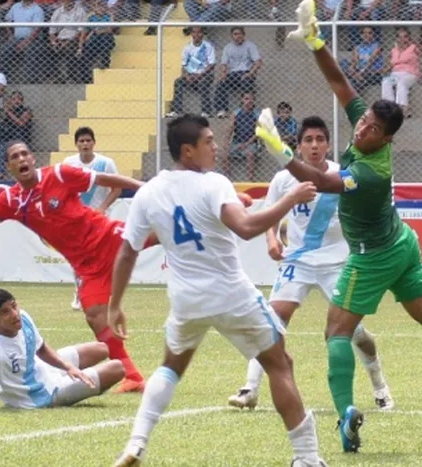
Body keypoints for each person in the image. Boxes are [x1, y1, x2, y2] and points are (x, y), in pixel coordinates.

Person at [259, 0, 422, 453]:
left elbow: (318, 180)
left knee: (336, 331)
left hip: (373, 255)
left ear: (387, 139)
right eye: (365, 123)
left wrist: (280, 151)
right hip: (401, 243)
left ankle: (345, 415)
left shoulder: (371, 173)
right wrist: (316, 41)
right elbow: (339, 83)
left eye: (372, 130)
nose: (362, 130)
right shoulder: (366, 126)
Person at [107, 114, 326, 467]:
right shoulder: (214, 183)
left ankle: (136, 444)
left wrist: (114, 305)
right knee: (279, 363)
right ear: (188, 151)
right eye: (209, 141)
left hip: (186, 301)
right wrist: (291, 198)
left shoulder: (148, 192)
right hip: (230, 295)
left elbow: (127, 251)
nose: (216, 146)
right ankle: (307, 458)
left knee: (171, 366)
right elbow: (245, 228)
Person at [0, 141, 154, 393]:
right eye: (15, 157)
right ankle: (133, 377)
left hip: (105, 235)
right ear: (9, 167)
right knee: (95, 315)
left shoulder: (59, 174)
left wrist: (146, 188)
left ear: (33, 159)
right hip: (85, 264)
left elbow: (105, 178)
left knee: (161, 233)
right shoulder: (12, 200)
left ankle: (207, 240)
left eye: (25, 154)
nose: (22, 159)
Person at [227, 116, 394, 413]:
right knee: (272, 320)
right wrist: (272, 239)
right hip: (299, 261)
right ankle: (249, 388)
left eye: (320, 139)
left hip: (338, 262)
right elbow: (271, 214)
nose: (314, 145)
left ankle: (380, 386)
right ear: (299, 146)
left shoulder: (342, 175)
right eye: (308, 140)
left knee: (354, 333)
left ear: (328, 144)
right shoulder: (283, 179)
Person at [0, 289, 126, 414]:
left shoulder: (23, 318)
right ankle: (79, 385)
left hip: (44, 368)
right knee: (117, 367)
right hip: (42, 396)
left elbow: (42, 349)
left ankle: (77, 378)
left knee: (102, 348)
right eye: (5, 312)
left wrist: (68, 367)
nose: (14, 314)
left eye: (14, 306)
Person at [62, 126, 121, 311]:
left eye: (88, 140)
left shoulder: (106, 163)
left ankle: (104, 294)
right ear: (76, 144)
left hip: (100, 219)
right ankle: (79, 293)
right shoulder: (69, 163)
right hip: (77, 219)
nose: (85, 144)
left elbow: (117, 188)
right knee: (79, 257)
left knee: (101, 257)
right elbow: (64, 188)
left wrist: (102, 208)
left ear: (94, 143)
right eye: (81, 141)